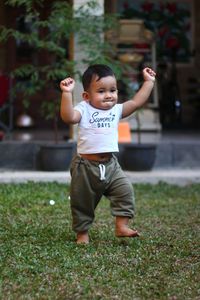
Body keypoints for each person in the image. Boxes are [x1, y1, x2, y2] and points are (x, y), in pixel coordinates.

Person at [60, 64, 156, 244]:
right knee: (82, 202)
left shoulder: (116, 110)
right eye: (101, 91)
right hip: (86, 167)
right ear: (87, 96)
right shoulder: (84, 108)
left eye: (113, 90)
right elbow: (68, 117)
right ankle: (82, 234)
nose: (109, 95)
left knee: (125, 191)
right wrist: (66, 93)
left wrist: (149, 82)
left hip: (111, 165)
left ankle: (121, 226)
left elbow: (136, 102)